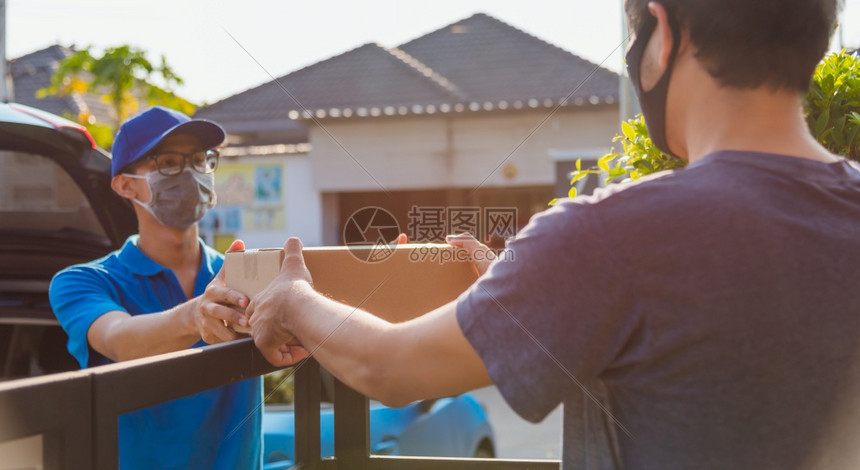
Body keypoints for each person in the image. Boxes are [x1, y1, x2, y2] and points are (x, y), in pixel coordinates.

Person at [246, 0, 860, 469]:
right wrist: (525, 296)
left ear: (662, 31)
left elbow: (390, 369)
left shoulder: (610, 234)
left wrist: (292, 297)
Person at [49, 106, 262, 469]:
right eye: (167, 162)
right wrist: (194, 317)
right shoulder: (82, 281)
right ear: (124, 184)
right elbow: (118, 338)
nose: (191, 173)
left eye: (199, 159)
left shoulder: (246, 274)